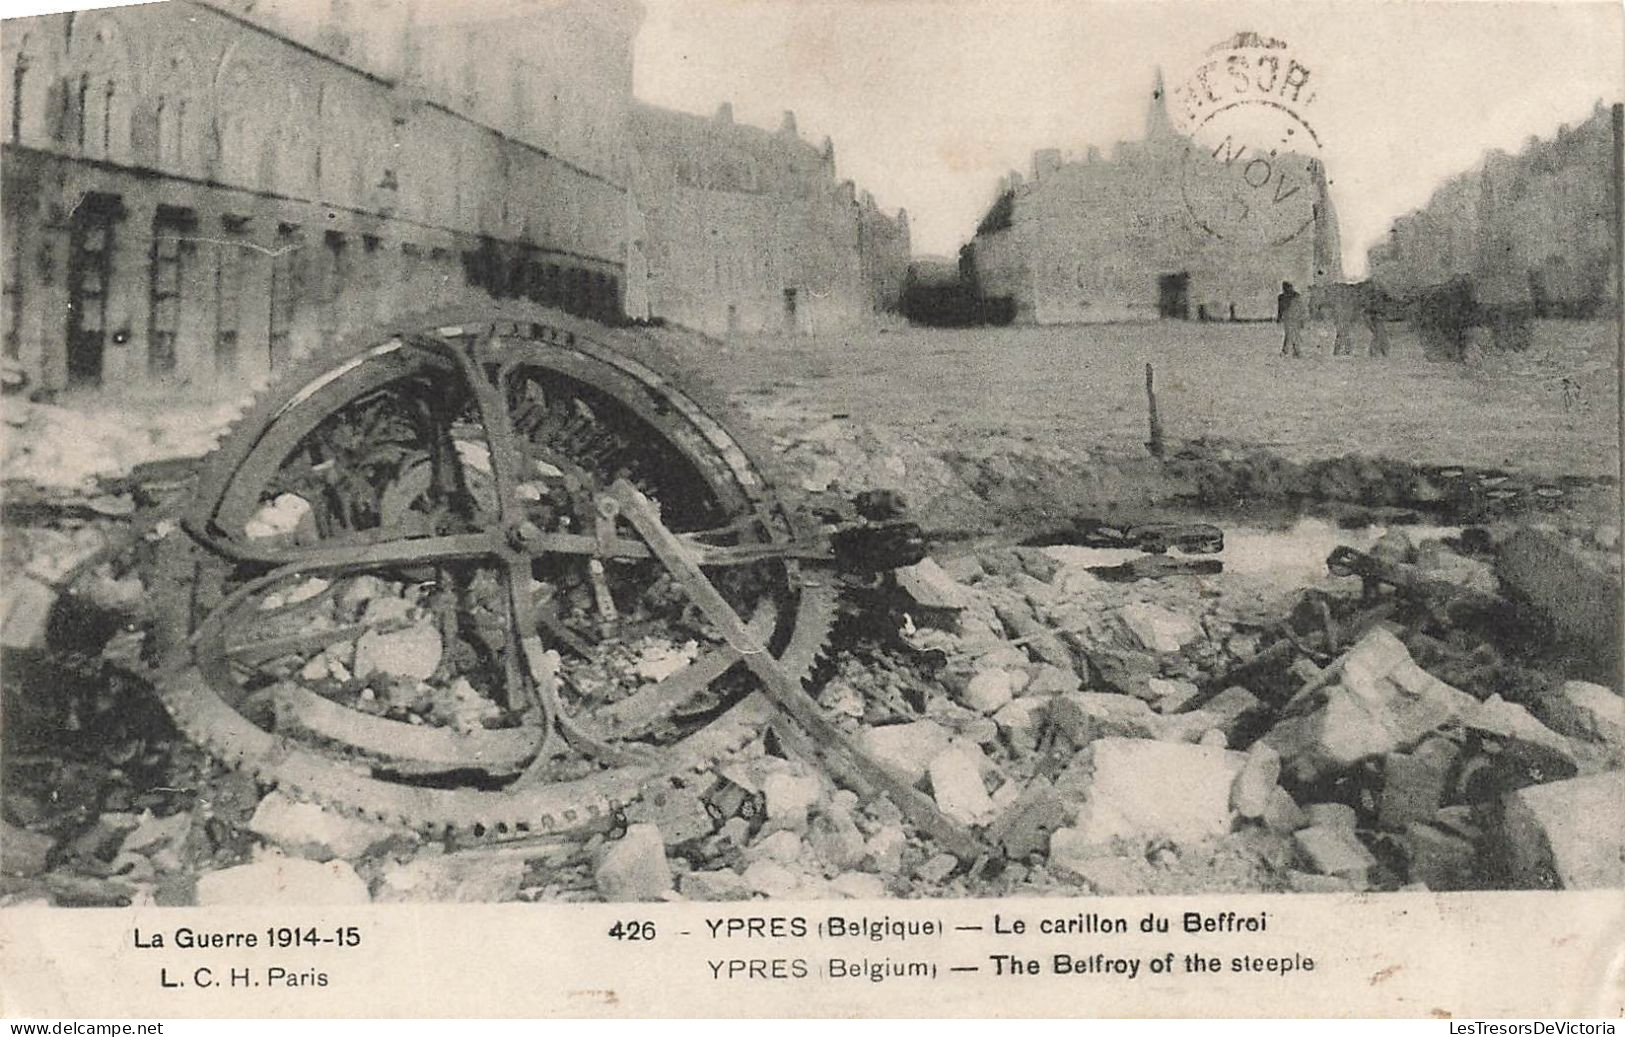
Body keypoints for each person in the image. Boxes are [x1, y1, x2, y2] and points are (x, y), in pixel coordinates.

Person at [1278, 281, 1306, 357]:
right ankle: (1290, 351)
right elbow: (1280, 309)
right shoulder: (1281, 297)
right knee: (1289, 334)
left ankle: (1293, 351)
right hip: (1288, 317)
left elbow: (1300, 308)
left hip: (1295, 317)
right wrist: (1279, 317)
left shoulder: (1296, 296)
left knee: (1294, 334)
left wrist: (1301, 318)